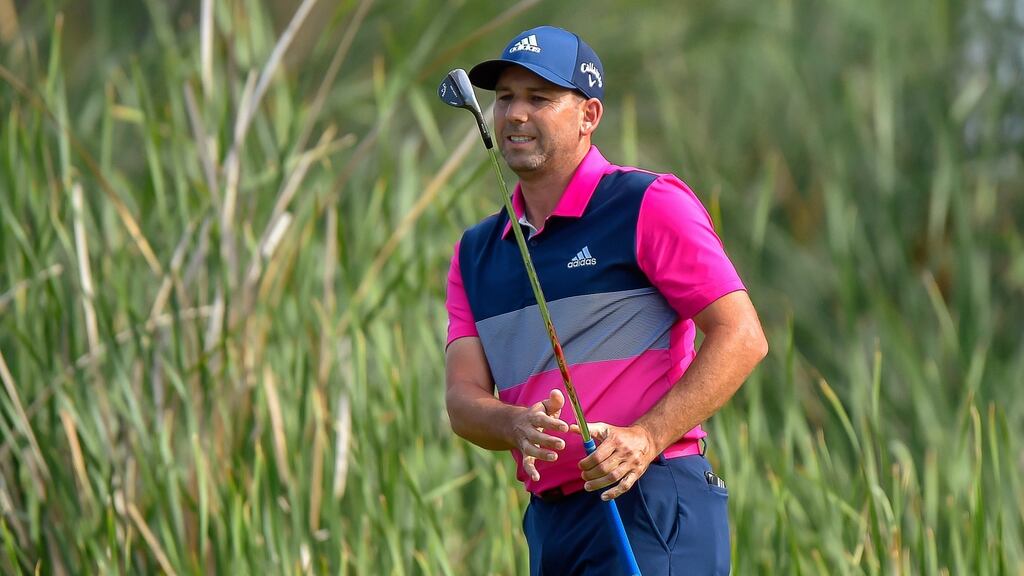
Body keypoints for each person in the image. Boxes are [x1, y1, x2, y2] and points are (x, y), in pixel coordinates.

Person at [444, 25, 768, 575]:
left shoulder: (647, 203)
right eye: (505, 99)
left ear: (589, 116)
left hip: (652, 501)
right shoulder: (477, 252)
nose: (515, 114)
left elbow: (742, 336)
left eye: (539, 98)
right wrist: (513, 424)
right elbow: (462, 399)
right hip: (551, 523)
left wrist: (646, 437)